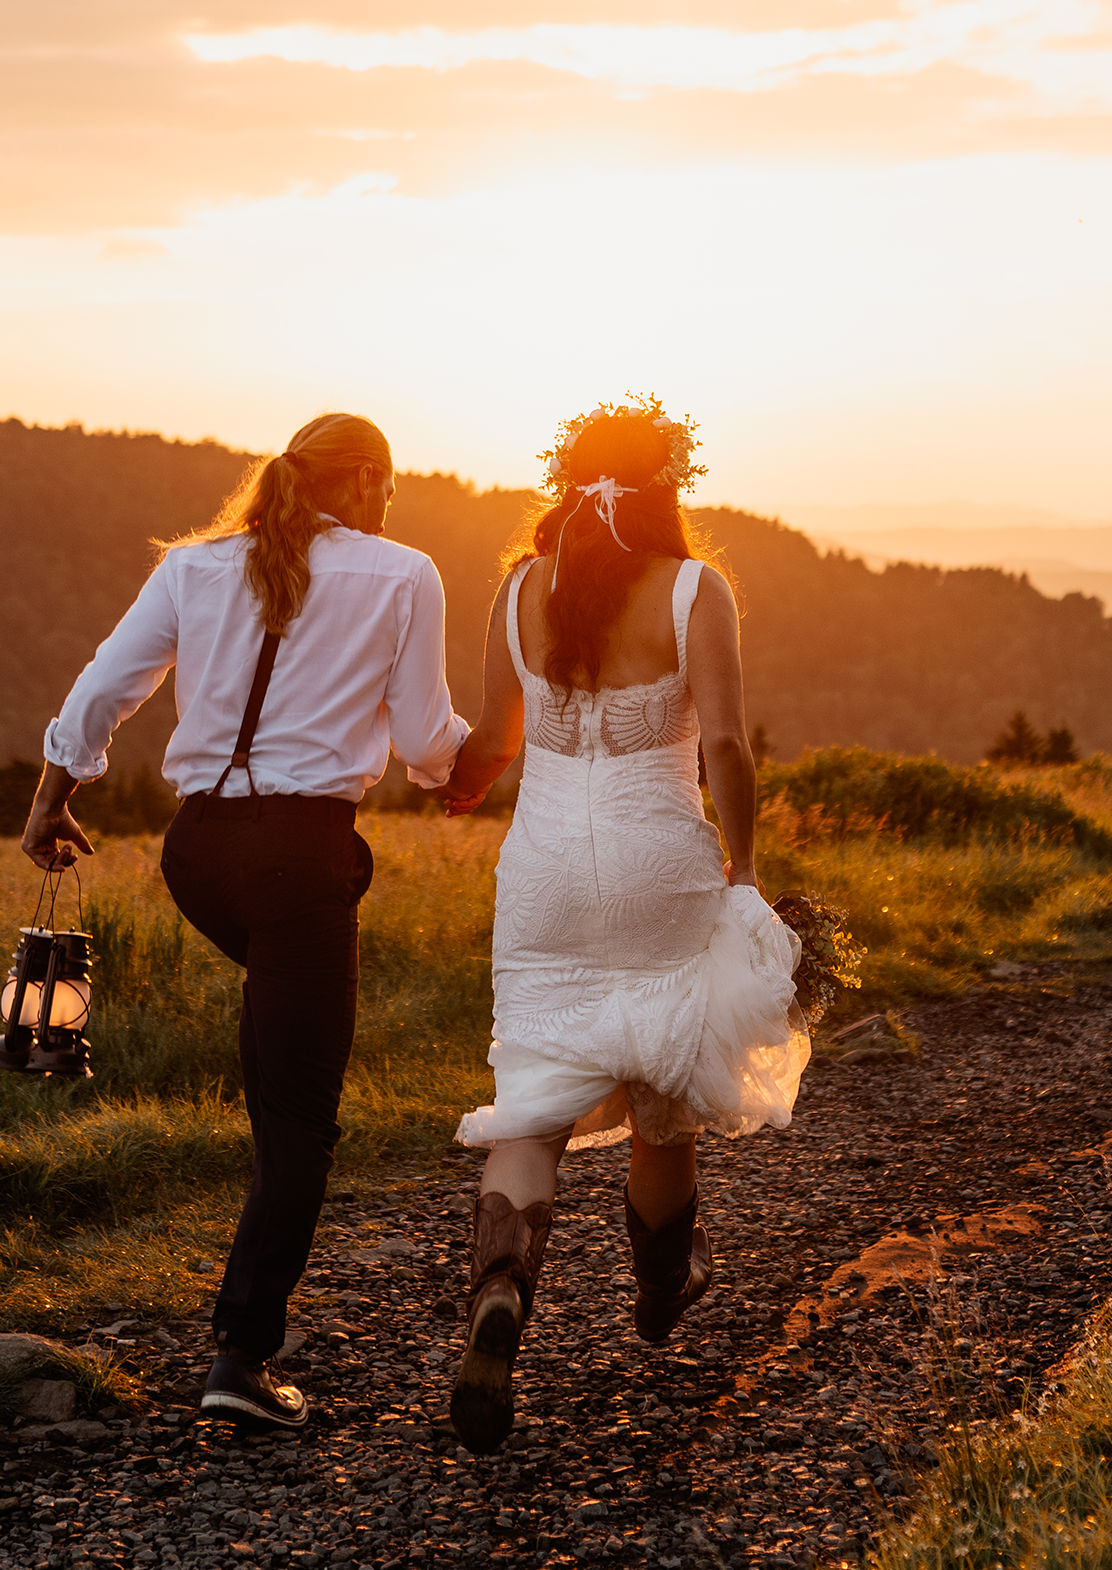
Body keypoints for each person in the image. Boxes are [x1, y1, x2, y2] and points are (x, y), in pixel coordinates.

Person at [19, 413, 467, 1430]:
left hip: (199, 854)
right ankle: (240, 1355)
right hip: (301, 860)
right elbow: (425, 737)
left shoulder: (193, 567)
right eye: (386, 486)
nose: (390, 505)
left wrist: (51, 797)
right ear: (357, 483)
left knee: (281, 1074)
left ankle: (249, 1280)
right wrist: (465, 766)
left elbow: (103, 689)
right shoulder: (403, 574)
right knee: (303, 1122)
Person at [434, 399, 810, 1453]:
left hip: (545, 872)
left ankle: (501, 1290)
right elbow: (726, 748)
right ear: (666, 485)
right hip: (660, 866)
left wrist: (455, 779)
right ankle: (657, 1283)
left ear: (570, 483)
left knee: (533, 1100)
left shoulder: (518, 589)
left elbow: (498, 738)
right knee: (661, 1086)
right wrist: (746, 875)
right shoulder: (696, 589)